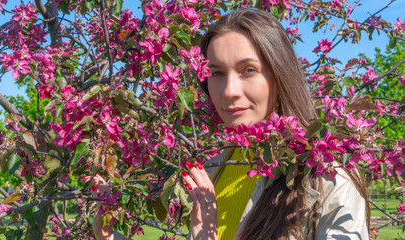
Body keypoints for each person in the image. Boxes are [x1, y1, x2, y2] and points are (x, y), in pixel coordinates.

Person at [83, 8, 370, 240]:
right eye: (217, 73)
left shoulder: (327, 180)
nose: (229, 90)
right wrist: (109, 236)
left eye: (248, 70)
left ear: (280, 76)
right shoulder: (214, 168)